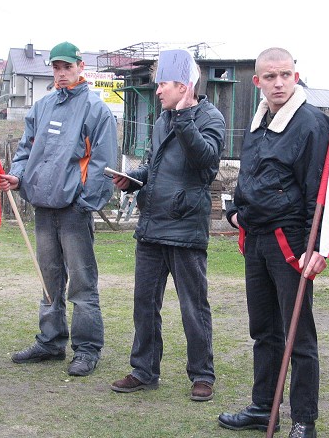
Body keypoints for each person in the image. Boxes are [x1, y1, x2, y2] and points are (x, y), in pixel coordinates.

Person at [217, 48, 329, 438]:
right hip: (256, 240)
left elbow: (319, 191)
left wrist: (316, 247)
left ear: (296, 76)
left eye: (285, 74)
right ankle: (264, 409)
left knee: (298, 334)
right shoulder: (257, 121)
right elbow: (252, 178)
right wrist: (236, 212)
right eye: (270, 76)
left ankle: (304, 421)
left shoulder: (313, 123)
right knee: (264, 330)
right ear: (258, 82)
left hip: (292, 242)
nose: (279, 82)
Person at [110, 49, 225, 402]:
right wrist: (133, 179)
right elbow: (155, 168)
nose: (157, 91)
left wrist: (186, 116)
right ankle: (144, 370)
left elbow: (205, 164)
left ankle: (202, 375)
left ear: (184, 86)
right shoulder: (162, 120)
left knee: (194, 307)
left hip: (186, 230)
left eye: (163, 84)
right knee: (144, 304)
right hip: (151, 226)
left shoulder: (210, 118)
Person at [0, 41, 117, 377]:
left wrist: (85, 202)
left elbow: (103, 163)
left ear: (80, 67)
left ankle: (87, 349)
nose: (62, 73)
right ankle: (50, 341)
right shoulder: (41, 107)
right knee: (48, 278)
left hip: (74, 210)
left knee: (81, 282)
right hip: (43, 206)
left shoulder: (96, 110)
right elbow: (25, 152)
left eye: (67, 67)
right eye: (56, 68)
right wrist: (18, 177)